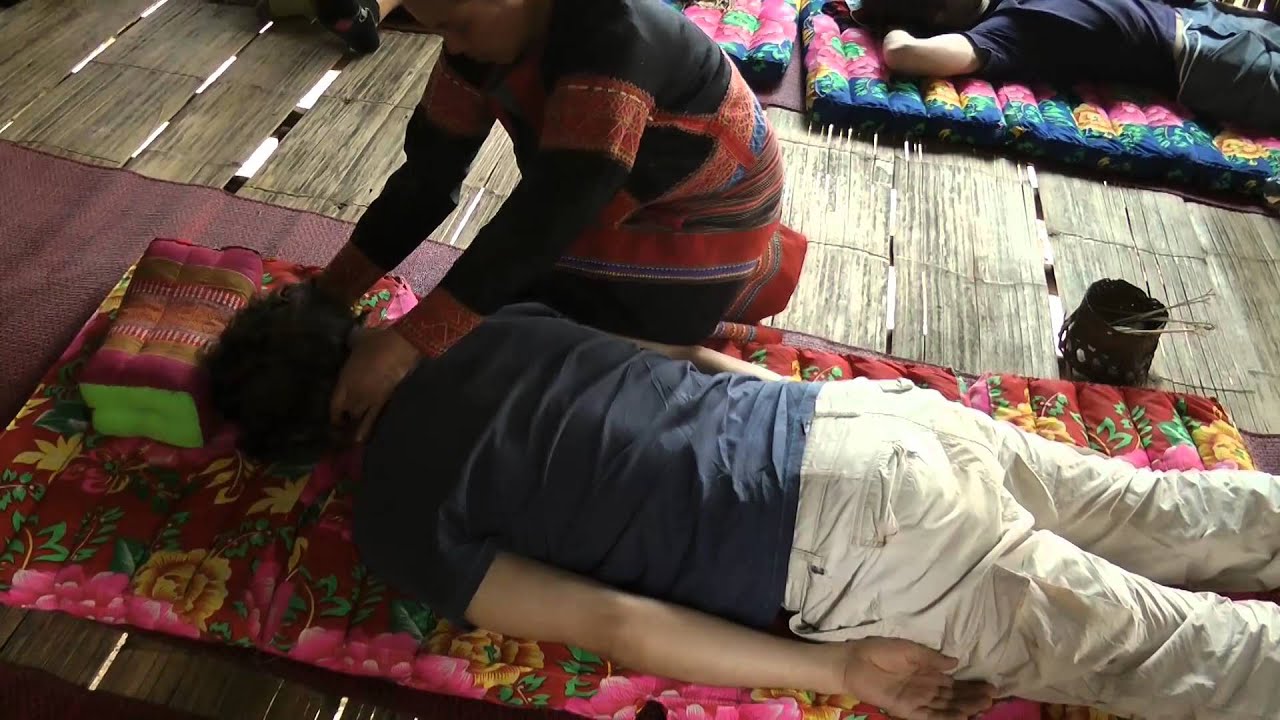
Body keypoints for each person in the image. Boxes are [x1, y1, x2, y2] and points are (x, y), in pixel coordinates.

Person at [206, 281, 1280, 720]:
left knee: (1189, 656)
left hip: (868, 541)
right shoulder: (495, 321)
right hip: (870, 423)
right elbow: (696, 361)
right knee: (1162, 512)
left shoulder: (396, 526)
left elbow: (616, 622)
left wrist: (840, 672)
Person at [314, 0, 807, 442]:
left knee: (534, 350)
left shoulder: (612, 40)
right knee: (489, 324)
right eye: (439, 31)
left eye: (458, 26)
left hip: (702, 224)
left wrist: (406, 344)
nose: (454, 47)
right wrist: (328, 295)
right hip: (601, 194)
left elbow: (547, 217)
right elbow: (426, 180)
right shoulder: (479, 42)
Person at [867, 0, 1280, 135]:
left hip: (1202, 18)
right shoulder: (1006, 29)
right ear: (938, 15)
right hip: (1206, 60)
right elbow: (902, 53)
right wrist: (897, 25)